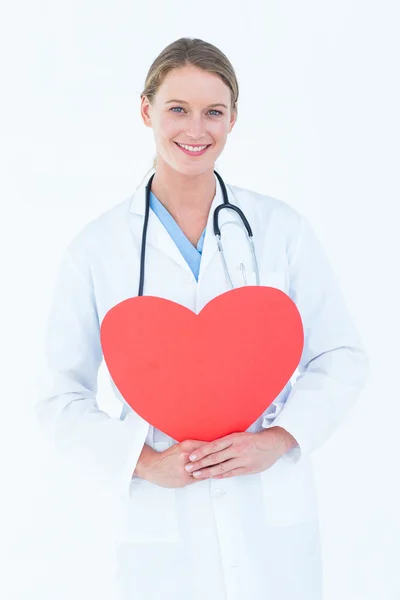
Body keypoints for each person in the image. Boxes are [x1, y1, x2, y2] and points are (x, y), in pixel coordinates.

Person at [35, 37, 369, 600]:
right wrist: (144, 464)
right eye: (177, 109)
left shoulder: (280, 230)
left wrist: (280, 439)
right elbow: (57, 397)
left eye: (214, 111)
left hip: (271, 518)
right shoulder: (96, 249)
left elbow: (340, 356)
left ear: (234, 118)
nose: (197, 129)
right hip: (161, 527)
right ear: (146, 111)